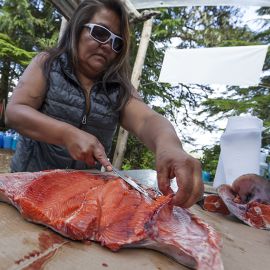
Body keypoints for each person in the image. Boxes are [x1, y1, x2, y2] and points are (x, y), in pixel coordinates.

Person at [5, 0, 203, 208]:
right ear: (77, 29)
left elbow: (147, 120)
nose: (108, 45)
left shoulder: (118, 89)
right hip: (26, 187)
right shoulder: (47, 64)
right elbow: (15, 112)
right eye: (100, 33)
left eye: (117, 43)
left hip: (78, 199)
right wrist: (67, 134)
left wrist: (169, 147)